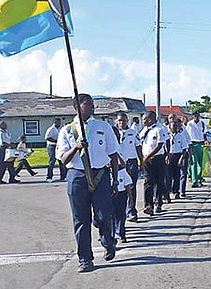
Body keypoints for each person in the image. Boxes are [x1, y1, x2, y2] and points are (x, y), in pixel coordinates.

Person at [56, 94, 119, 273]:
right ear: (77, 107)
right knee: (80, 219)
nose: (93, 107)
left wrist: (115, 180)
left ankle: (108, 240)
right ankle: (85, 258)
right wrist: (76, 147)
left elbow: (113, 154)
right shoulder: (67, 130)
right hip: (77, 176)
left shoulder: (103, 126)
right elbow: (62, 159)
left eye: (93, 104)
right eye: (88, 104)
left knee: (103, 215)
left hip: (100, 175)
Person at [139, 110, 168, 216]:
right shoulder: (144, 130)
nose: (143, 122)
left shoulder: (159, 129)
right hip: (146, 160)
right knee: (148, 182)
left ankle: (158, 203)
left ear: (150, 119)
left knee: (159, 181)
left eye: (144, 119)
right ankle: (148, 205)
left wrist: (149, 156)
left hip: (157, 158)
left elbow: (160, 145)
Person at [115, 112, 142, 222]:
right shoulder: (113, 133)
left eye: (124, 120)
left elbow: (138, 147)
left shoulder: (133, 132)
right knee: (119, 188)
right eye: (119, 120)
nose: (122, 122)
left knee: (131, 186)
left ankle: (131, 211)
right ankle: (120, 212)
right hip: (118, 163)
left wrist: (142, 162)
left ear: (127, 121)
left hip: (131, 162)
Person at [167, 119, 190, 200]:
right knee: (169, 176)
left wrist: (181, 159)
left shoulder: (181, 136)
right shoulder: (167, 136)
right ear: (169, 127)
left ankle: (176, 191)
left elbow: (184, 149)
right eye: (173, 126)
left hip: (178, 156)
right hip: (169, 156)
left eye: (176, 126)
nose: (175, 127)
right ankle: (167, 193)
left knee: (177, 175)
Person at [186, 111, 206, 187]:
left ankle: (199, 178)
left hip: (200, 143)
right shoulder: (190, 124)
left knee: (200, 163)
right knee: (194, 162)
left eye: (197, 116)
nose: (196, 117)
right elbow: (187, 135)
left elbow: (204, 133)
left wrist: (205, 140)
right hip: (192, 143)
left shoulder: (202, 123)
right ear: (193, 116)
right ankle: (194, 180)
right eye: (195, 116)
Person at [44, 117, 66, 182]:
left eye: (60, 122)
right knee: (52, 162)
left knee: (61, 162)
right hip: (51, 146)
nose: (59, 123)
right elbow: (47, 137)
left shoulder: (60, 129)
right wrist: (56, 141)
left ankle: (63, 177)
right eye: (58, 122)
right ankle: (49, 177)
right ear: (54, 122)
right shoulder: (51, 129)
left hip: (58, 147)